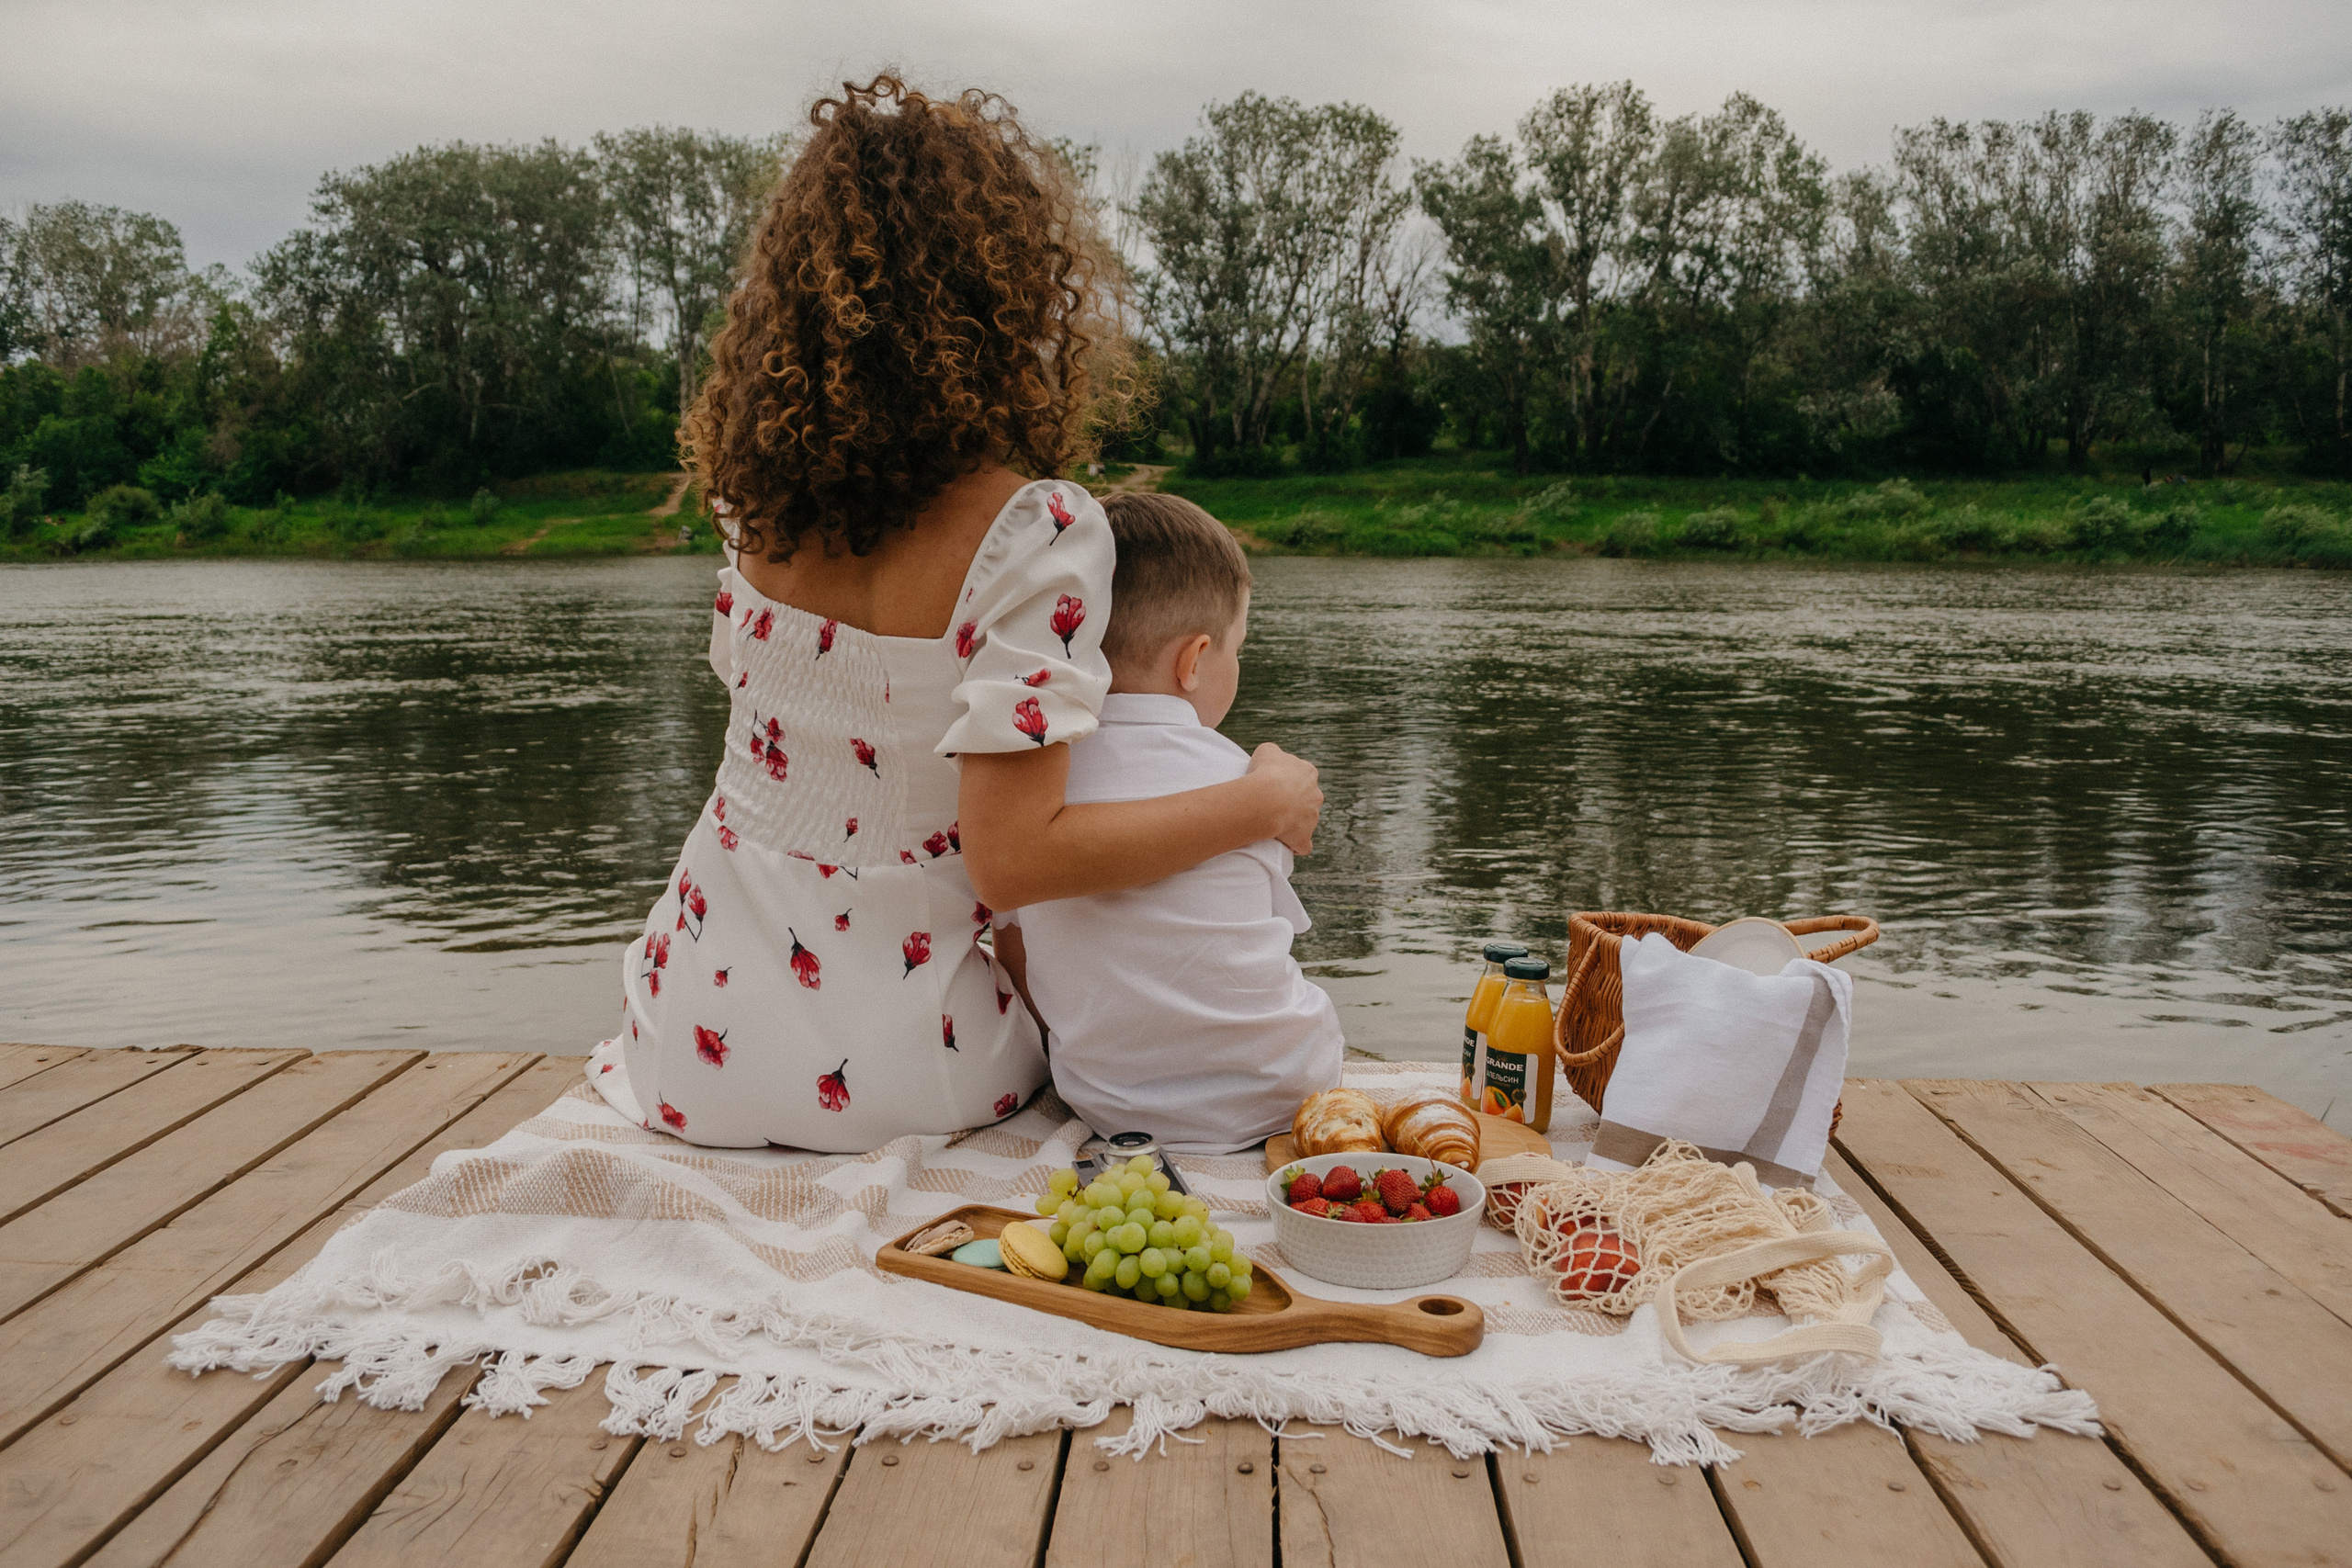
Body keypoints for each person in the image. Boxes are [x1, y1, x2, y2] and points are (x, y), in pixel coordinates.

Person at [584, 78, 1322, 1152]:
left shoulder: (750, 503)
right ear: (1007, 295)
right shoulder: (1035, 531)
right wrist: (1261, 801)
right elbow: (1015, 862)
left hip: (695, 1031)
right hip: (910, 1058)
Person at [995, 495, 1344, 1154]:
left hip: (1107, 1100)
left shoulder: (1026, 788)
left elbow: (1015, 959)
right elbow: (1259, 945)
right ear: (1194, 660)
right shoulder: (1241, 777)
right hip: (1282, 1091)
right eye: (1237, 649)